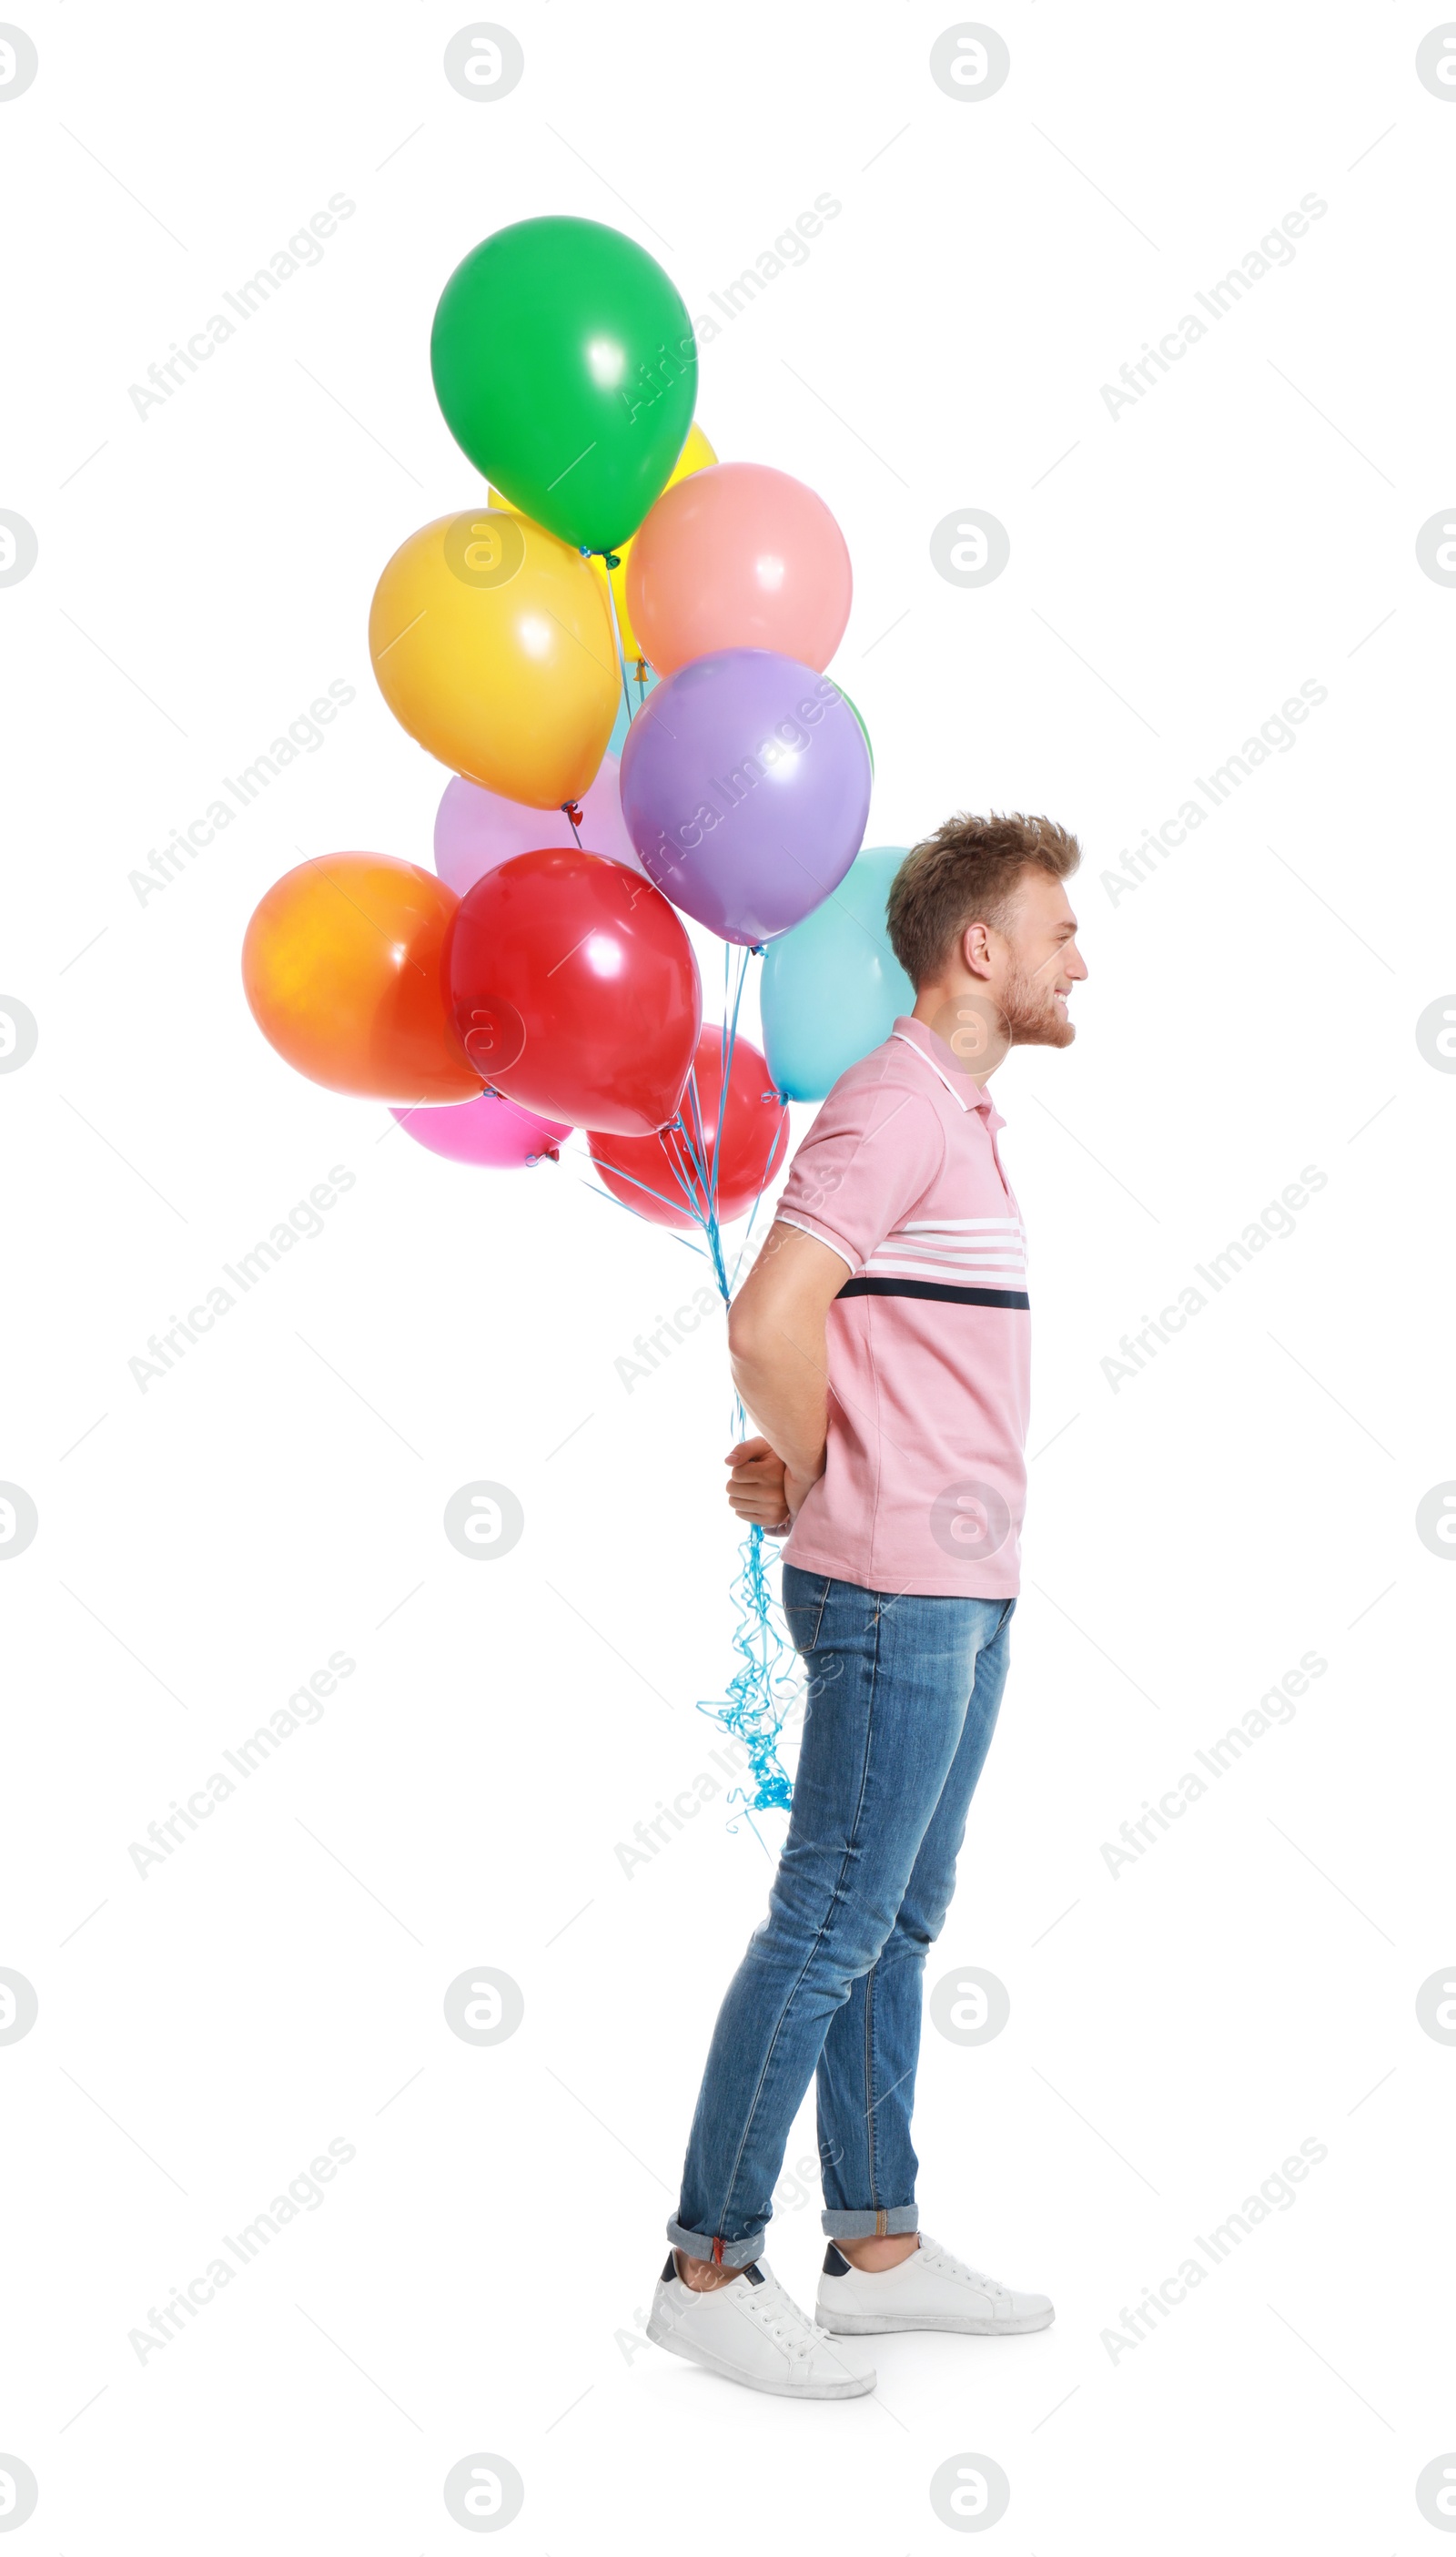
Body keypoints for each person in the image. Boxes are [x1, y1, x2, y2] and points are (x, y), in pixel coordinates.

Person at [646, 812, 1088, 2400]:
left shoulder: (955, 1116)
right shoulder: (896, 1107)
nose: (1075, 956)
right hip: (898, 1587)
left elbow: (860, 1346)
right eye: (1056, 928)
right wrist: (829, 1473)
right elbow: (770, 1318)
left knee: (894, 1921)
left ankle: (877, 2243)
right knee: (828, 1924)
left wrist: (818, 1458)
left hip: (958, 1586)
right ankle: (707, 2263)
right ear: (980, 949)